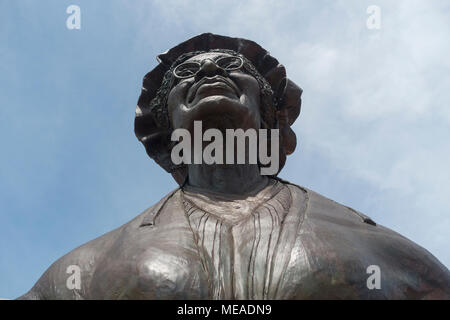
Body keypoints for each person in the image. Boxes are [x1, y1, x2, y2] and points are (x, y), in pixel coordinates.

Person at [19, 33, 450, 299]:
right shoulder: (89, 265)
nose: (208, 70)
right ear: (167, 124)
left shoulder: (374, 246)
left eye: (231, 67)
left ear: (268, 112)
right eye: (186, 73)